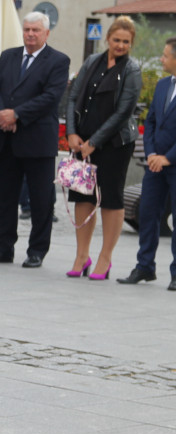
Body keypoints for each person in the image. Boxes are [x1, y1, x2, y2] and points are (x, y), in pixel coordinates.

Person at [0, 12, 70, 268]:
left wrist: (17, 114)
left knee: (41, 200)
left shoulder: (58, 61)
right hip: (6, 138)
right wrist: (0, 114)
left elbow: (51, 97)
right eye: (27, 29)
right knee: (6, 198)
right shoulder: (9, 55)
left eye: (36, 30)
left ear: (46, 33)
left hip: (36, 140)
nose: (30, 34)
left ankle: (37, 251)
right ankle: (4, 247)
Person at [61, 17, 141, 280]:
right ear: (107, 38)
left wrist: (94, 142)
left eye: (125, 42)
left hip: (115, 144)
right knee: (82, 197)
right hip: (81, 140)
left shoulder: (132, 69)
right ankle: (82, 255)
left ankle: (105, 258)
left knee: (110, 198)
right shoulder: (91, 61)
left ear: (131, 43)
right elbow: (72, 96)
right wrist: (72, 132)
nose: (120, 45)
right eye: (116, 40)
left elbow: (123, 112)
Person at [119, 37, 176, 289]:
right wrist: (152, 153)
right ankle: (144, 266)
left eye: (165, 55)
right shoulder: (164, 85)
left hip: (172, 163)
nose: (162, 59)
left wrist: (168, 157)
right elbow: (151, 121)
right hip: (155, 164)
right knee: (148, 213)